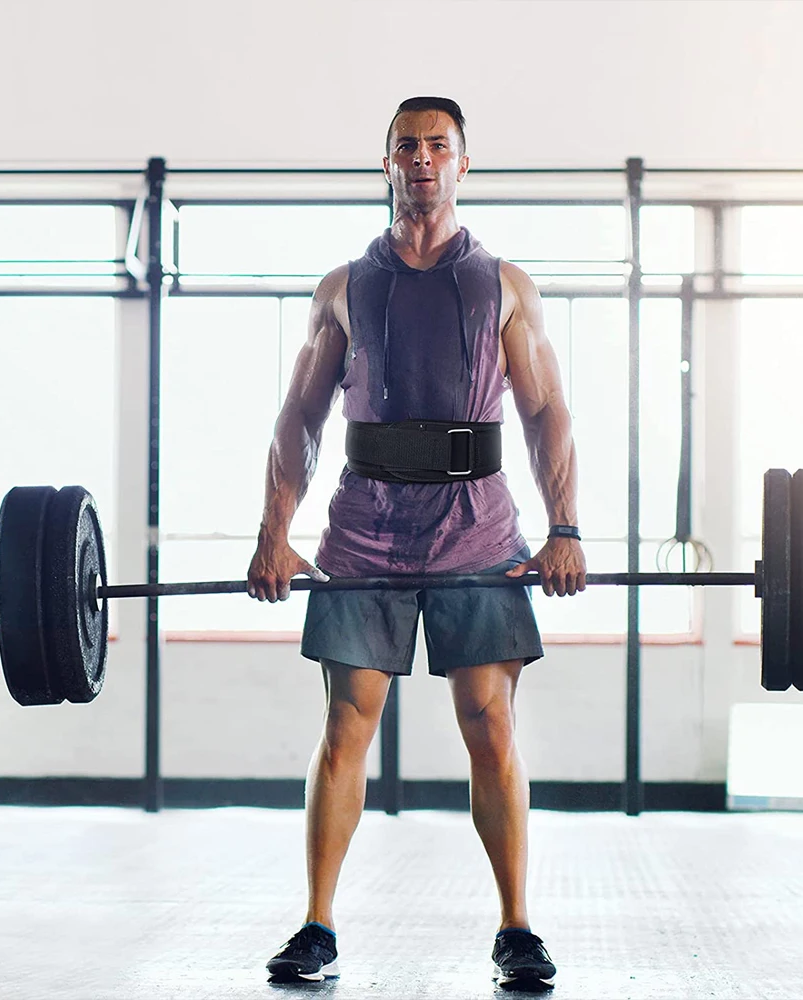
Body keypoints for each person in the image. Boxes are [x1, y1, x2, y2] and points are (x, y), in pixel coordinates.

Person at [247, 96, 586, 988]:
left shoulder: (505, 283)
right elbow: (301, 417)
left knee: (491, 725)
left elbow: (546, 410)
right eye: (408, 147)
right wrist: (274, 534)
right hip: (366, 533)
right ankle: (316, 926)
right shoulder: (343, 288)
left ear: (464, 164)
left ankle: (517, 929)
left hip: (478, 530)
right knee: (344, 726)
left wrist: (566, 528)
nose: (423, 160)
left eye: (440, 146)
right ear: (387, 164)